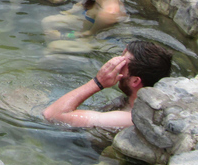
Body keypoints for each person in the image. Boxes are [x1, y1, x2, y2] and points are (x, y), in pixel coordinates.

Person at [42, 41, 172, 128]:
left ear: (135, 81)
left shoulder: (127, 118)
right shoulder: (135, 102)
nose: (114, 65)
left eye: (122, 64)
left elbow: (52, 115)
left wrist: (97, 82)